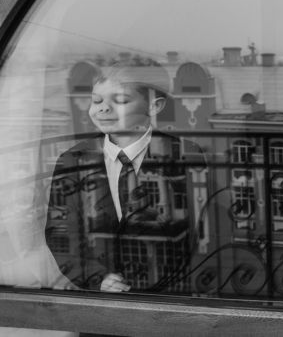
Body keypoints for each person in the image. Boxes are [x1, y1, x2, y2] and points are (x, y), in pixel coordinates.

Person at [45, 63, 203, 293]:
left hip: (173, 293)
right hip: (107, 299)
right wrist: (97, 277)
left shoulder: (186, 152)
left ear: (154, 106)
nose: (102, 109)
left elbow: (205, 225)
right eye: (96, 100)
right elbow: (63, 233)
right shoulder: (72, 159)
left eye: (119, 100)